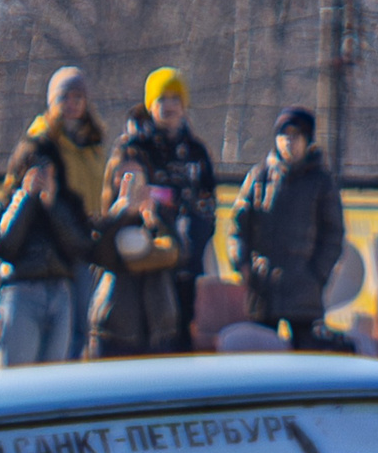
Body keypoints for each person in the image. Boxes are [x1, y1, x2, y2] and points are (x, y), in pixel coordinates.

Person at [230, 108, 344, 349]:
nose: (289, 142)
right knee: (261, 355)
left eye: (296, 136)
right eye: (284, 135)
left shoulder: (321, 181)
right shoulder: (259, 177)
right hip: (263, 289)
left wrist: (317, 273)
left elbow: (333, 234)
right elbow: (238, 226)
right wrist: (243, 264)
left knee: (306, 358)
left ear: (307, 140)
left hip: (304, 290)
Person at [121, 68, 218, 348]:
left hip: (187, 262)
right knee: (148, 334)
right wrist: (164, 202)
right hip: (146, 258)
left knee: (182, 332)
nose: (169, 106)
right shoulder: (134, 147)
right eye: (162, 99)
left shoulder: (197, 151)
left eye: (175, 99)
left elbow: (208, 202)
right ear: (150, 105)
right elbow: (124, 197)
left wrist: (194, 233)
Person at [0, 138, 92, 368]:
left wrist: (53, 206)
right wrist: (25, 199)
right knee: (16, 376)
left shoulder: (67, 205)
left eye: (47, 171)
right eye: (35, 170)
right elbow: (3, 246)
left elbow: (79, 247)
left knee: (53, 378)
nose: (41, 177)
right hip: (20, 291)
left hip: (60, 292)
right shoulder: (1, 207)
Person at [28, 66, 110, 357]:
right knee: (60, 323)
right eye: (64, 97)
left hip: (84, 241)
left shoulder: (92, 143)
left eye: (78, 97)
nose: (72, 104)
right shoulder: (42, 142)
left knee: (81, 324)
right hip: (56, 242)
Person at [86, 152, 186, 359]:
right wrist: (122, 213)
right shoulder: (105, 220)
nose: (133, 185)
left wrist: (154, 220)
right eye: (125, 177)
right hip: (115, 328)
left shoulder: (160, 215)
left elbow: (181, 254)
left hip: (158, 329)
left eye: (138, 177)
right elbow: (100, 255)